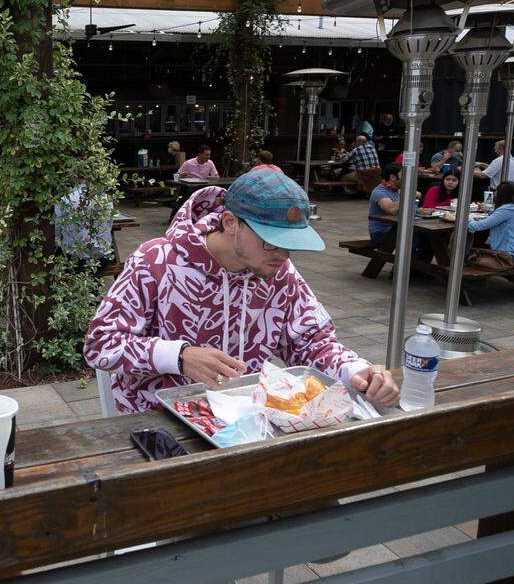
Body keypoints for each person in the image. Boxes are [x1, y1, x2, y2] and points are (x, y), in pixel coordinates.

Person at [83, 168, 398, 414]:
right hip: (156, 417)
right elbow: (100, 344)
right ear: (230, 222)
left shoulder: (277, 270)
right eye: (271, 241)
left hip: (245, 414)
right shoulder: (156, 261)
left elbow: (312, 341)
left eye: (291, 245)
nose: (283, 255)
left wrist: (357, 371)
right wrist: (178, 356)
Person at [463, 182, 514, 302]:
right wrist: (489, 210)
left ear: (503, 195)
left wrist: (463, 217)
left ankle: (475, 283)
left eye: (497, 191)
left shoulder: (507, 208)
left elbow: (478, 226)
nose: (495, 193)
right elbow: (499, 217)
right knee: (487, 250)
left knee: (472, 256)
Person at [55, 178, 115, 270]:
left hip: (74, 258)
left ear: (74, 178)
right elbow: (109, 226)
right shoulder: (106, 198)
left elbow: (57, 232)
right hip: (102, 258)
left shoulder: (64, 200)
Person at [368, 163, 403, 247]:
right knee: (413, 240)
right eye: (403, 175)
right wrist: (409, 196)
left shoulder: (397, 190)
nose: (407, 179)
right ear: (392, 177)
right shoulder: (379, 192)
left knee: (424, 238)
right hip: (380, 232)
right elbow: (391, 210)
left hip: (395, 229)